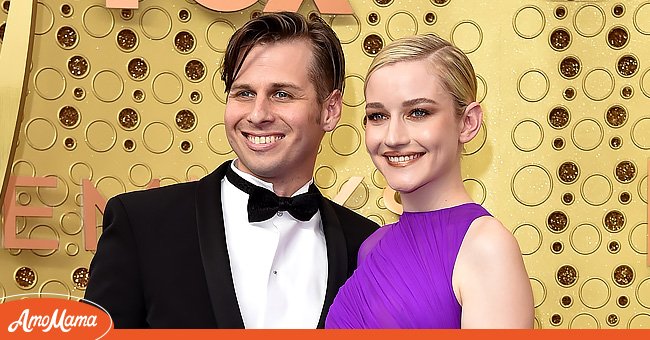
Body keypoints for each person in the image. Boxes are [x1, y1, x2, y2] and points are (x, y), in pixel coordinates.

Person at [84, 12, 378, 329]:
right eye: (244, 93)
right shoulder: (141, 224)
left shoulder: (366, 248)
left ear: (330, 111)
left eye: (282, 94)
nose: (258, 114)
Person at [325, 34, 534, 329]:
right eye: (377, 115)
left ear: (468, 122)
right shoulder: (373, 245)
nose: (393, 137)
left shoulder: (486, 247)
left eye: (418, 112)